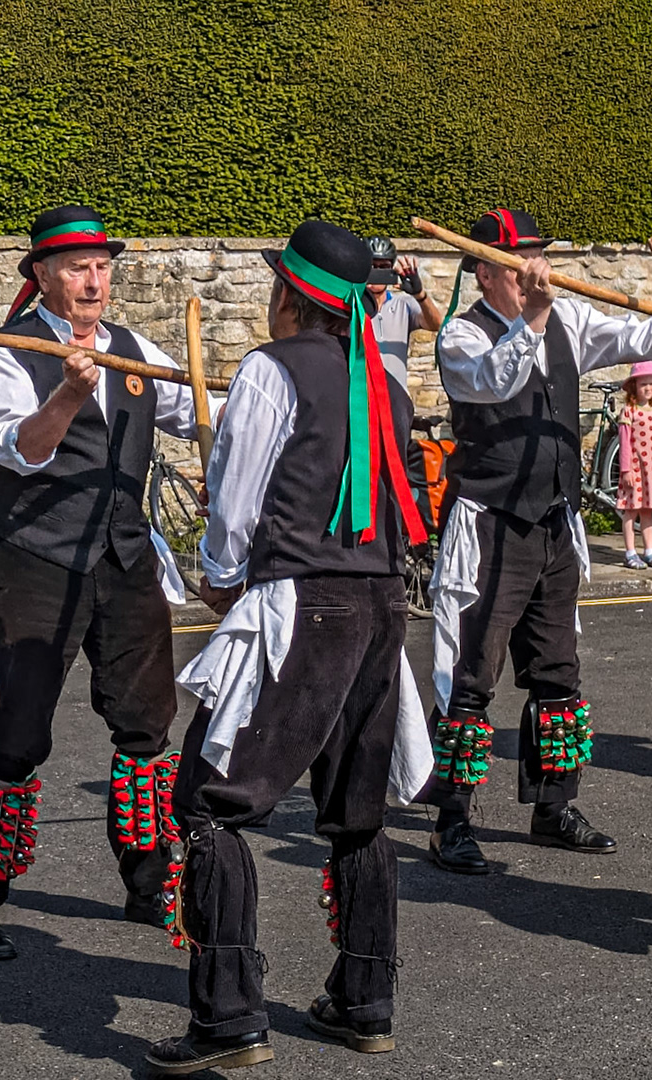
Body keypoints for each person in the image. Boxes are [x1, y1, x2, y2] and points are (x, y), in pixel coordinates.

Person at [147, 221, 427, 1074]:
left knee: (211, 801)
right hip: (381, 606)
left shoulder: (270, 371)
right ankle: (365, 1001)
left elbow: (234, 506)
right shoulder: (387, 384)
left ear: (289, 297)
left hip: (304, 607)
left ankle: (229, 1017)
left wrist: (220, 576)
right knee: (357, 809)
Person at [422, 207, 652, 874]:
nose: (535, 270)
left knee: (559, 673)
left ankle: (553, 807)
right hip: (491, 524)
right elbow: (495, 380)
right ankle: (452, 820)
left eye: (539, 256)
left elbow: (632, 334)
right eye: (519, 261)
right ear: (485, 271)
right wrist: (532, 319)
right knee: (471, 676)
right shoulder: (461, 337)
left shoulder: (567, 321)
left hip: (553, 523)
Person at [0, 205, 202, 961]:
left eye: (103, 267)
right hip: (36, 559)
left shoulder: (135, 350)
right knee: (20, 731)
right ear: (43, 275)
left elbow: (200, 411)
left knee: (147, 727)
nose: (95, 281)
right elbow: (19, 450)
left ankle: (149, 884)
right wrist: (67, 395)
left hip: (123, 555)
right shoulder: (8, 352)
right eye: (79, 268)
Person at [365, 236, 444, 393]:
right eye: (372, 266)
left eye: (384, 267)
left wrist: (420, 295)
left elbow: (436, 324)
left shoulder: (404, 304)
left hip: (396, 396)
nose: (377, 271)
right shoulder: (351, 306)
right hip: (362, 396)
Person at [616, 361, 652, 569]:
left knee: (647, 511)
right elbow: (624, 443)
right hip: (635, 470)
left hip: (651, 471)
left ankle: (649, 551)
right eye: (643, 384)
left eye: (651, 384)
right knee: (631, 511)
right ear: (634, 387)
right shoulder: (628, 412)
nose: (648, 388)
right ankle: (630, 552)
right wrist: (626, 470)